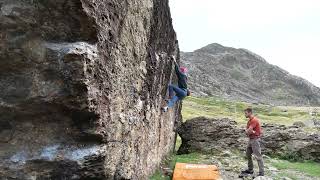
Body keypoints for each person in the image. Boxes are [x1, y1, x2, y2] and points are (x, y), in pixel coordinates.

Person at [239, 108, 264, 177]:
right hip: (251, 139)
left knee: (258, 156)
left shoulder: (254, 120)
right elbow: (248, 131)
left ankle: (261, 173)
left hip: (255, 140)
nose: (245, 114)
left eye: (246, 113)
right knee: (248, 154)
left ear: (250, 113)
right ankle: (250, 170)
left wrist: (248, 131)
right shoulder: (249, 121)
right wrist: (248, 131)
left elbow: (248, 131)